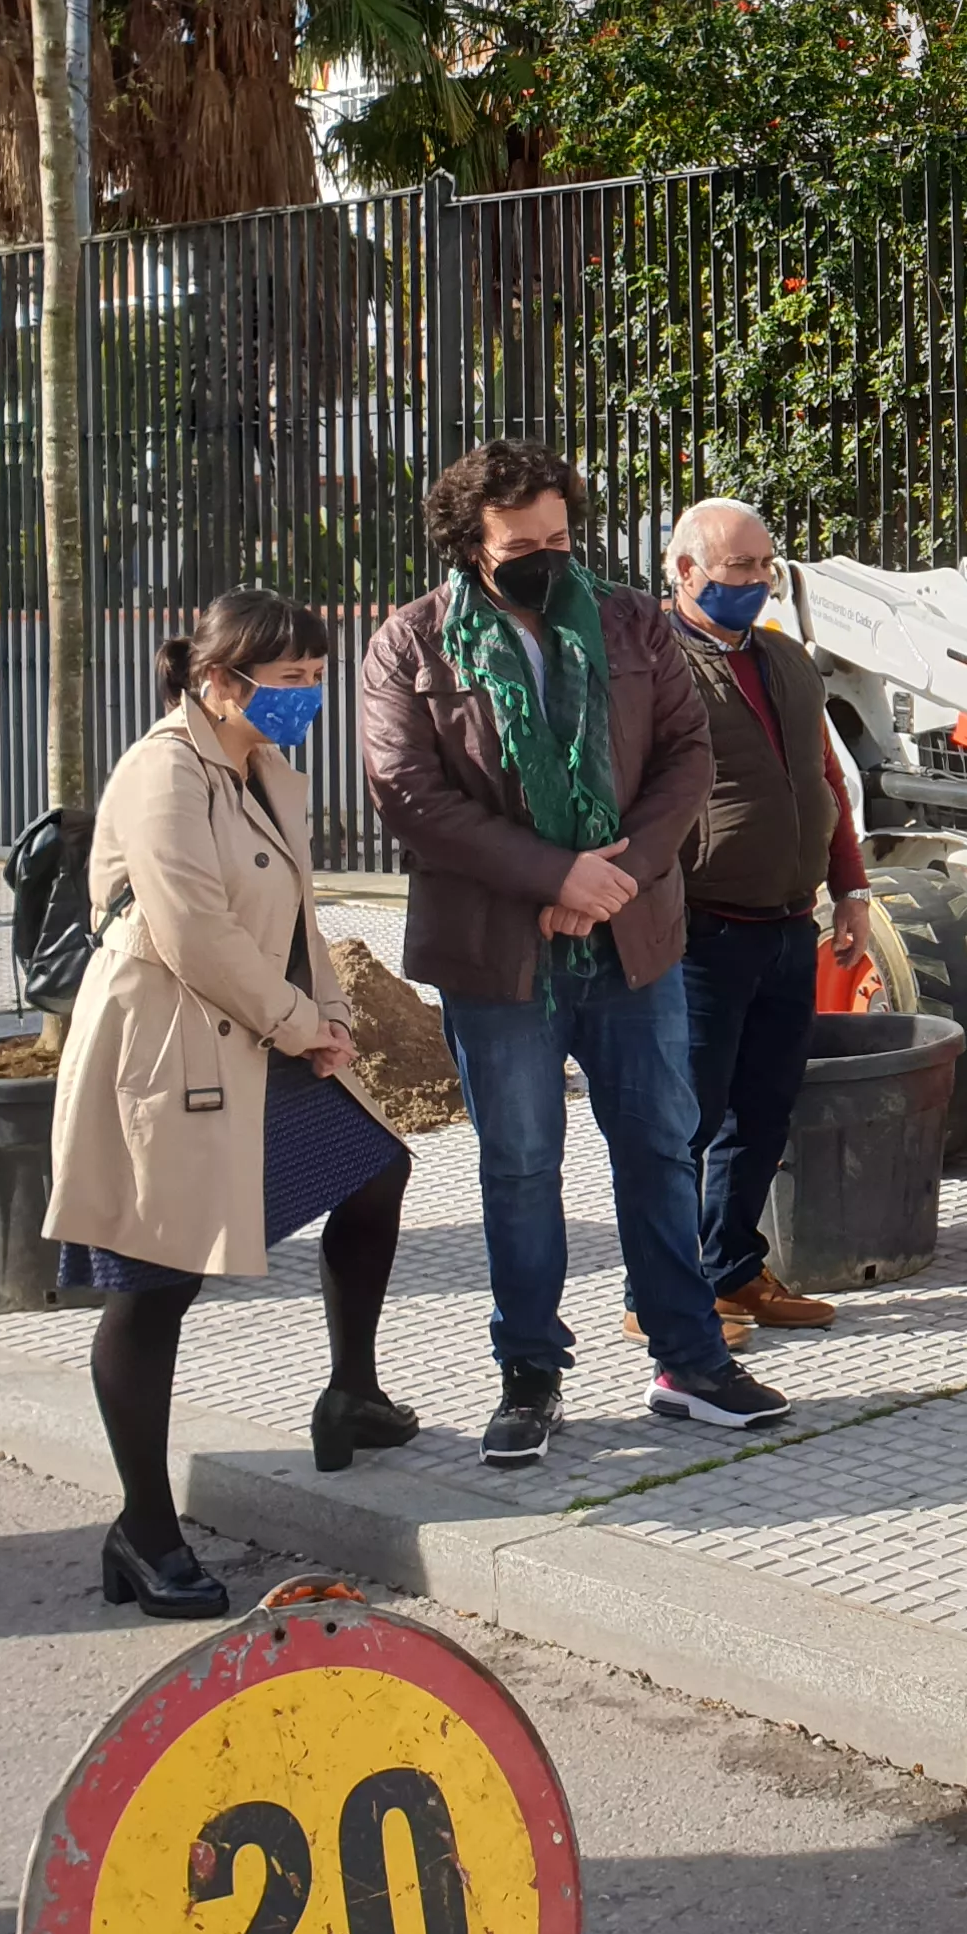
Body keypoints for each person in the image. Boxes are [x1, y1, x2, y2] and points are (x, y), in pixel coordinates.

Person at [361, 440, 790, 1466]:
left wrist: (616, 876)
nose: (548, 558)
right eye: (522, 546)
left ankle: (689, 1361)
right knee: (519, 1166)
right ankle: (531, 1375)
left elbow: (688, 757)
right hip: (497, 954)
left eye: (559, 537)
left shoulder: (634, 623)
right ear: (470, 545)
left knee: (659, 1149)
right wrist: (553, 878)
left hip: (631, 942)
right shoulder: (411, 644)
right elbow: (408, 794)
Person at [47, 589, 415, 1621]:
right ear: (217, 679)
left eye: (316, 676)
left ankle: (352, 1394)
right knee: (153, 1282)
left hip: (254, 1028)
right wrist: (300, 1023)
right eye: (289, 678)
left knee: (376, 1165)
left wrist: (327, 1012)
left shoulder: (262, 767)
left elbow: (295, 915)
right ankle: (144, 1531)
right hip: (170, 1044)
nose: (309, 695)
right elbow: (192, 932)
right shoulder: (163, 769)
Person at [662, 495, 874, 1337]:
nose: (755, 581)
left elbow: (826, 778)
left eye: (763, 566)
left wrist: (850, 887)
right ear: (686, 571)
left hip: (789, 926)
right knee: (685, 1122)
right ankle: (662, 1293)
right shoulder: (654, 666)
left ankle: (734, 1269)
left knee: (763, 1113)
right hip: (701, 933)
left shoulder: (784, 659)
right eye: (737, 567)